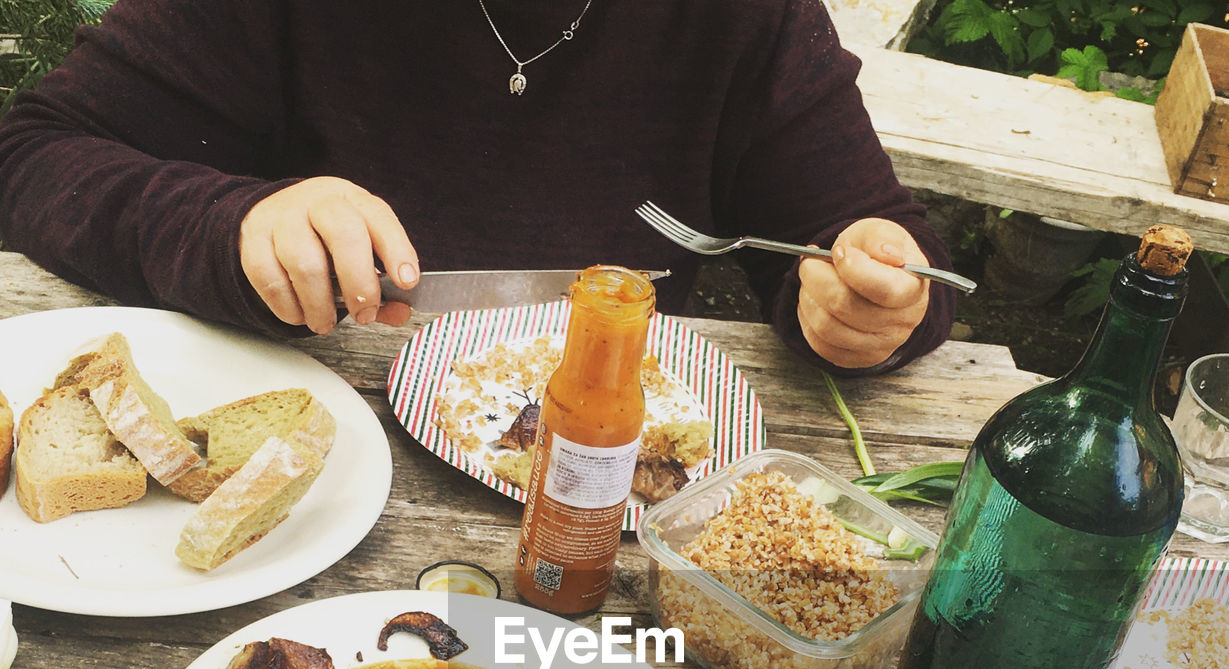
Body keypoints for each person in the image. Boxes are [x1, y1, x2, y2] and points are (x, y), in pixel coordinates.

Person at [0, 0, 955, 372]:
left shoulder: (749, 16)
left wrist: (866, 308)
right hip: (298, 424)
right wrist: (230, 221)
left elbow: (876, 248)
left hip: (603, 498)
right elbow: (33, 152)